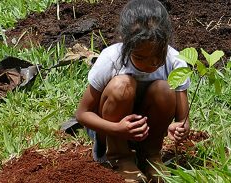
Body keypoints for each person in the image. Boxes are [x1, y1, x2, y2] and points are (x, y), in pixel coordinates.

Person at [76, 0, 190, 182]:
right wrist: (117, 129)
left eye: (157, 56)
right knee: (122, 85)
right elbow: (82, 113)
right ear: (126, 44)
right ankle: (119, 157)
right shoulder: (112, 59)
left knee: (164, 88)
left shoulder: (175, 62)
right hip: (113, 128)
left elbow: (183, 120)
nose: (151, 64)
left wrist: (180, 127)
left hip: (148, 131)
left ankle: (151, 156)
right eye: (140, 57)